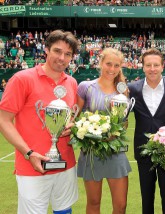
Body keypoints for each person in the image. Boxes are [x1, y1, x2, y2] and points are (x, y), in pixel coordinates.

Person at [0, 30, 79, 214]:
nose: (62, 57)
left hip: (65, 163)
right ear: (46, 50)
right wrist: (29, 153)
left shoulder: (72, 83)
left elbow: (70, 119)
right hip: (32, 166)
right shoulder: (22, 79)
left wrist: (73, 127)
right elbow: (3, 120)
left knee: (64, 211)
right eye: (57, 51)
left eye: (68, 54)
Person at [128, 48, 165, 214]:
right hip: (143, 150)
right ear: (143, 67)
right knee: (146, 196)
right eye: (148, 65)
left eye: (156, 65)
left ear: (162, 66)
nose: (152, 68)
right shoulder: (132, 88)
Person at [76, 47, 132, 214]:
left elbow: (124, 123)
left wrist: (115, 131)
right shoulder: (86, 86)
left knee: (121, 206)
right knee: (93, 203)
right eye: (108, 64)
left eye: (116, 65)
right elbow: (76, 118)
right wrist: (91, 132)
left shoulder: (123, 91)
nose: (112, 69)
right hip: (91, 152)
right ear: (100, 63)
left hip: (116, 151)